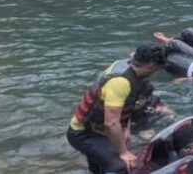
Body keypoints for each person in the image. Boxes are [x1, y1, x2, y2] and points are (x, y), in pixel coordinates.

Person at [67, 44, 166, 174]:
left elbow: (125, 105)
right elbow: (111, 123)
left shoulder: (124, 66)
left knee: (100, 167)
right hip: (83, 133)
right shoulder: (120, 82)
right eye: (157, 69)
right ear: (151, 66)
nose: (155, 72)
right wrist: (123, 152)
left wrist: (126, 129)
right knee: (120, 167)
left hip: (97, 130)